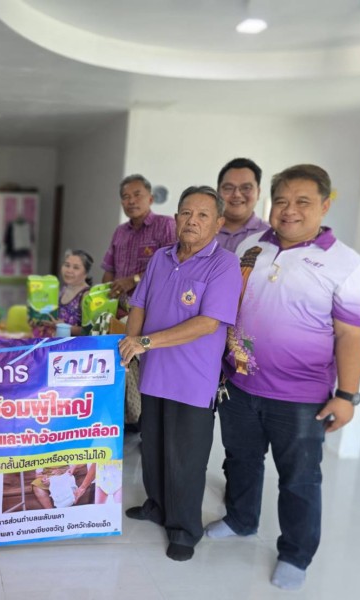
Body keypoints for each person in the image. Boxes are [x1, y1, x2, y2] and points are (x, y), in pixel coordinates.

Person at [206, 164, 360, 591]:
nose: (289, 210)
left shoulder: (347, 264)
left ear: (325, 205)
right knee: (240, 460)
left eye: (302, 202)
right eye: (281, 201)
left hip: (301, 397)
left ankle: (296, 554)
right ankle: (241, 519)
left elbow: (351, 335)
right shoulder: (252, 245)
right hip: (240, 383)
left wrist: (347, 396)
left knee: (299, 479)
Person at [119, 185, 242, 562]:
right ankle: (156, 506)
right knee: (153, 447)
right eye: (186, 213)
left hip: (193, 378)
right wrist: (130, 345)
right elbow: (139, 303)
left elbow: (208, 323)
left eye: (203, 215)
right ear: (175, 218)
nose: (192, 220)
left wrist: (146, 342)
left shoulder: (224, 264)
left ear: (218, 223)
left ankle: (185, 529)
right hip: (153, 371)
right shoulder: (161, 257)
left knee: (185, 458)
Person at [101, 174, 176, 312]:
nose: (131, 201)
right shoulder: (120, 231)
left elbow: (171, 266)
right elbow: (109, 271)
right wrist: (105, 300)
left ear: (151, 199)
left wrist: (133, 280)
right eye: (126, 197)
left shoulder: (166, 225)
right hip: (117, 310)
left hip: (150, 309)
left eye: (137, 195)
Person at [33, 249, 93, 337]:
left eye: (76, 267)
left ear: (86, 273)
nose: (69, 270)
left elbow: (89, 331)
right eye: (67, 265)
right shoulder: (64, 288)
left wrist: (63, 327)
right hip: (52, 339)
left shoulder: (87, 295)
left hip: (72, 344)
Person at [215, 158, 268, 252]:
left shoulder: (269, 235)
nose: (237, 194)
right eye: (228, 188)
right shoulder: (202, 229)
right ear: (218, 192)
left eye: (246, 188)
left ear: (258, 192)